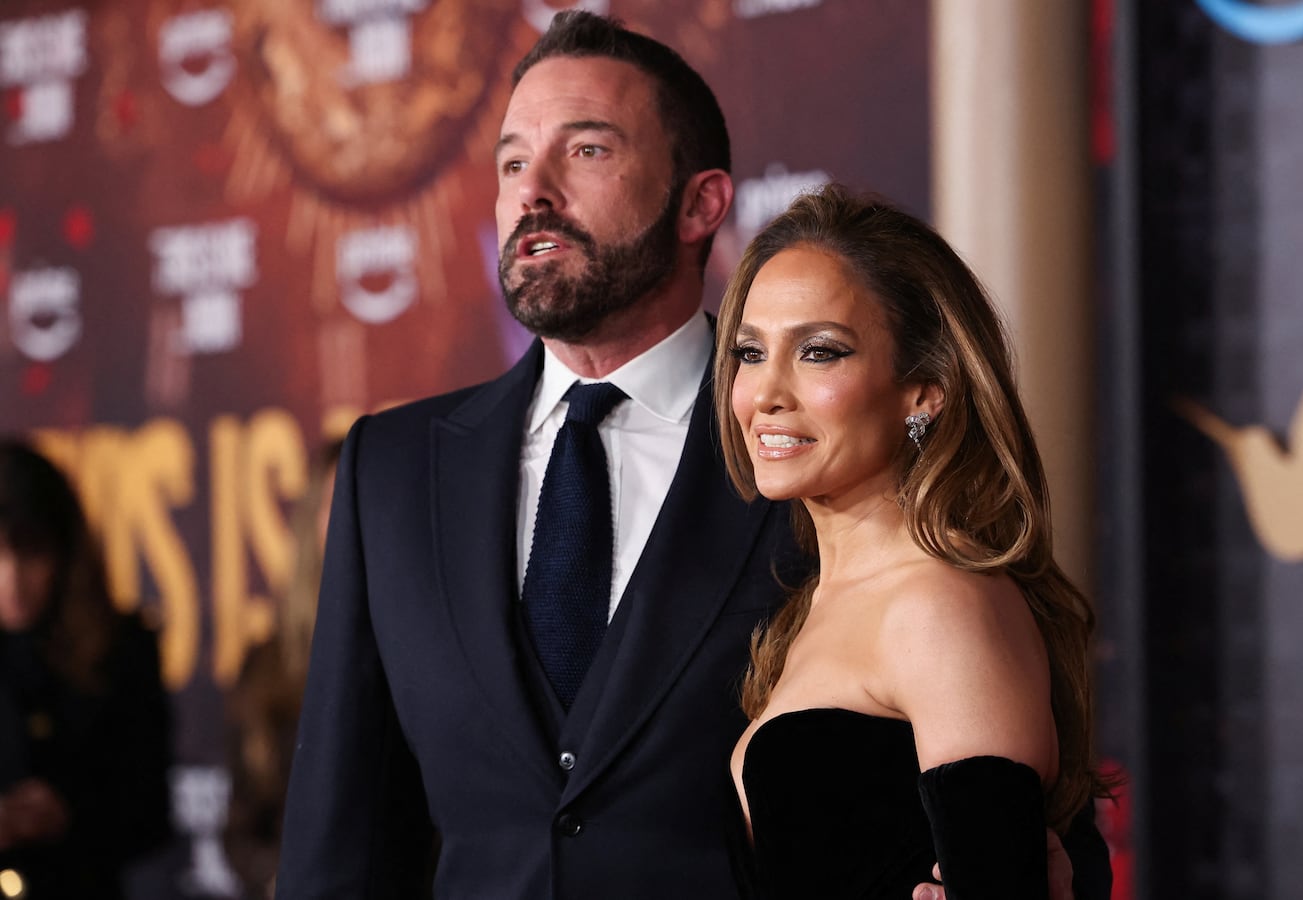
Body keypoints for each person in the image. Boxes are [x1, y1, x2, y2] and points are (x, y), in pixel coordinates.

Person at [275, 12, 1105, 900]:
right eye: (512, 162)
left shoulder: (821, 463)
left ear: (703, 202)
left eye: (586, 151)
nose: (534, 191)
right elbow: (344, 839)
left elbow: (1028, 826)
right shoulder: (393, 473)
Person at [715, 184, 1114, 899]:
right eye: (749, 352)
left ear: (924, 391)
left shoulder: (939, 606)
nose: (766, 392)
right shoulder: (811, 608)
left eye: (819, 352)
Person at [0, 439, 173, 900]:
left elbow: (150, 814)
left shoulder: (122, 649)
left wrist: (68, 812)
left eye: (31, 553)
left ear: (63, 551)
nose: (11, 578)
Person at [225, 439, 342, 900]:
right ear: (311, 520)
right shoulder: (265, 667)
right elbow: (240, 833)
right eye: (338, 504)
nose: (355, 521)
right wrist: (288, 881)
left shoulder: (432, 652)